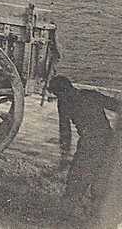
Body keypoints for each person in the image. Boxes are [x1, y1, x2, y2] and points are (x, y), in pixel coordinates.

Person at [47, 75, 120, 218]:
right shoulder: (90, 94)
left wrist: (64, 156)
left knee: (76, 179)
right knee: (101, 179)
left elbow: (65, 132)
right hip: (109, 141)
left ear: (61, 92)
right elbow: (117, 105)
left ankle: (65, 215)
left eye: (56, 93)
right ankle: (94, 215)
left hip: (89, 143)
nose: (56, 96)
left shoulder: (64, 103)